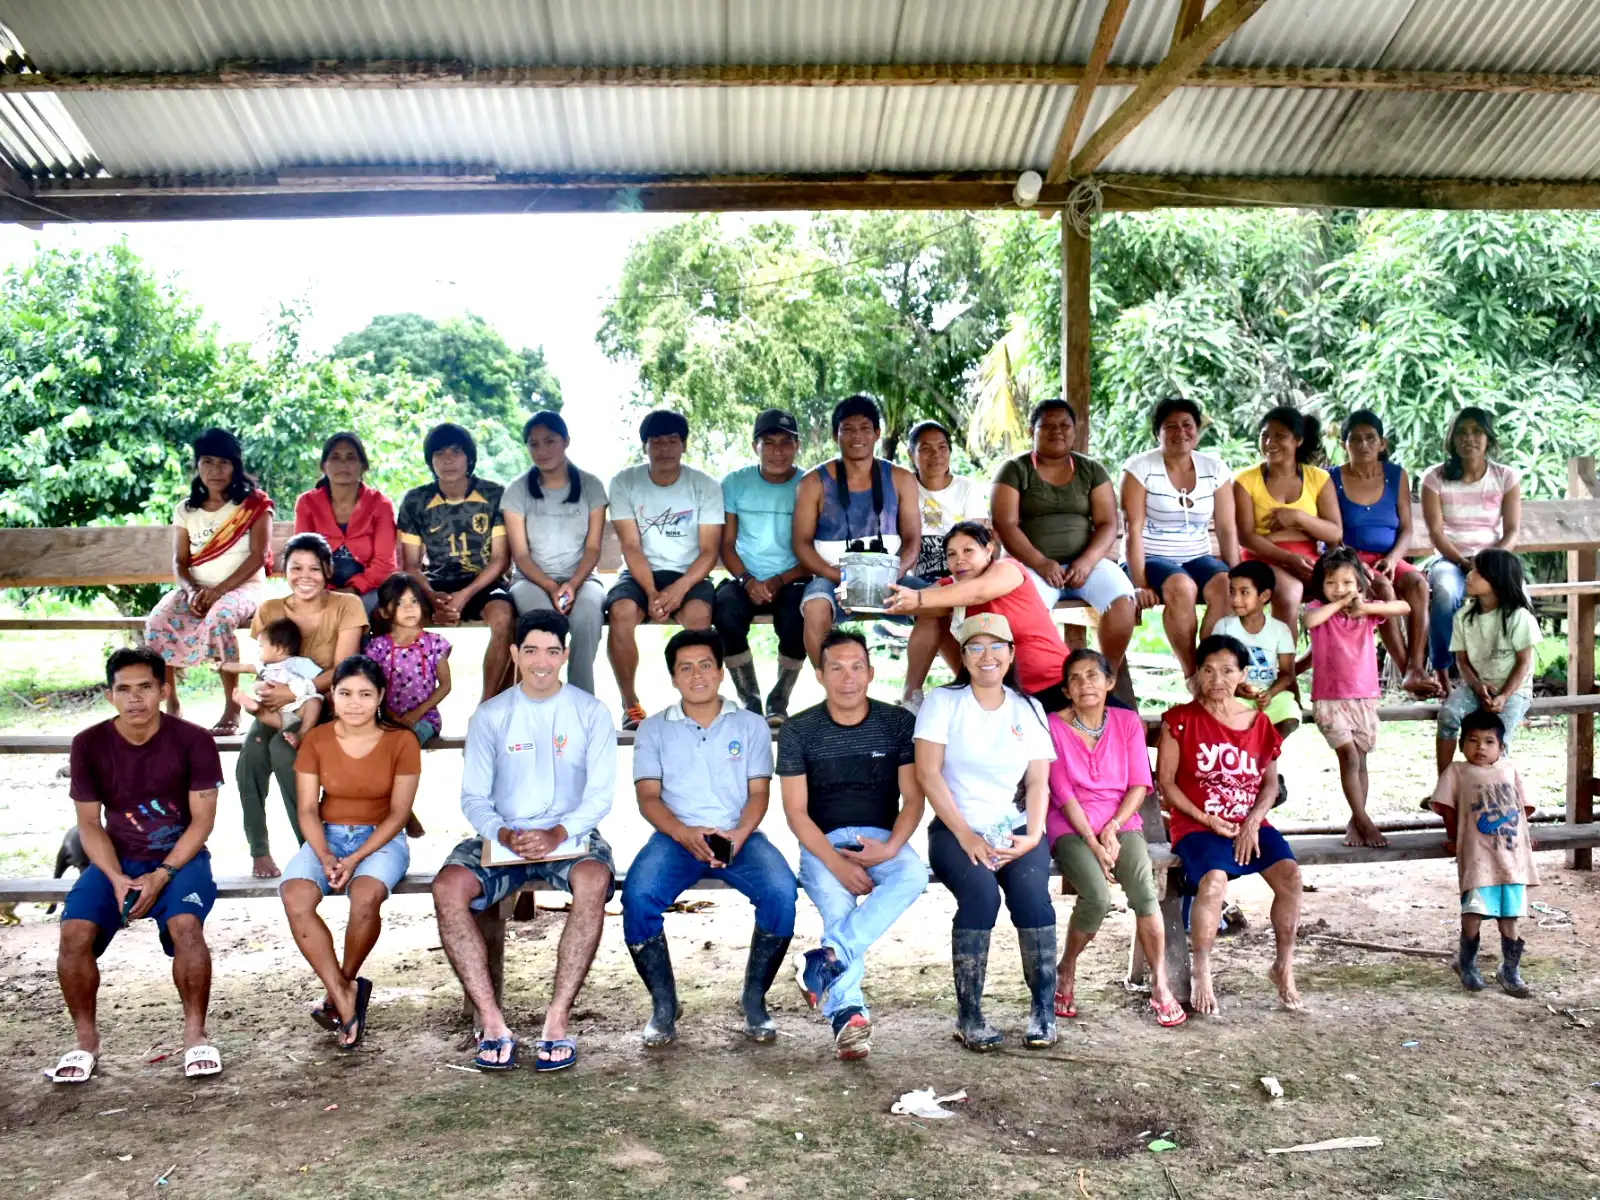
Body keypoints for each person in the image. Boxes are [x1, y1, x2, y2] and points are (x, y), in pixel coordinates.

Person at [430, 610, 616, 1073]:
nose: (541, 661)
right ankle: (493, 1023)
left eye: (552, 651)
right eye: (530, 650)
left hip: (570, 835)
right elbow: (473, 798)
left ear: (566, 655)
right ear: (513, 654)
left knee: (594, 880)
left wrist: (557, 832)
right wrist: (506, 833)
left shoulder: (590, 712)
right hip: (503, 837)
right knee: (447, 888)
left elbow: (600, 797)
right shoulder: (492, 715)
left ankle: (556, 1020)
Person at [51, 647, 225, 1084]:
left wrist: (162, 873)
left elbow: (203, 820)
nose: (135, 699)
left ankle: (195, 1036)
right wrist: (113, 876)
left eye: (145, 687)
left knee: (186, 925)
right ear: (110, 695)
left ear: (163, 690)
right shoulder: (88, 744)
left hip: (179, 857)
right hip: (116, 856)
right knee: (73, 935)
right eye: (123, 689)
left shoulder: (193, 739)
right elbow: (89, 825)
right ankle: (85, 1042)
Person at [624, 630, 796, 1046]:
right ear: (672, 677)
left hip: (739, 836)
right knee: (638, 897)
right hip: (675, 836)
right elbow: (648, 798)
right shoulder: (653, 729)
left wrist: (737, 835)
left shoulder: (751, 725)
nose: (696, 675)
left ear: (721, 672)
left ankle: (754, 998)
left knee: (781, 892)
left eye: (705, 665)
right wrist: (683, 833)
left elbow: (759, 793)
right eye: (685, 667)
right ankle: (664, 1005)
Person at [780, 629, 925, 1062]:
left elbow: (914, 799)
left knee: (913, 874)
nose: (848, 677)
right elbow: (795, 814)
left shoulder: (897, 723)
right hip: (821, 841)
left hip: (881, 836)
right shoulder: (799, 729)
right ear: (820, 675)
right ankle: (849, 1015)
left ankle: (829, 958)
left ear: (871, 672)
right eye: (837, 668)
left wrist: (892, 846)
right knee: (839, 909)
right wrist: (837, 866)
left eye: (857, 667)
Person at [915, 614, 1058, 1052]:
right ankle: (970, 1014)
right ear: (962, 656)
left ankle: (1042, 1010)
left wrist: (1033, 835)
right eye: (975, 647)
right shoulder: (944, 702)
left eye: (996, 646)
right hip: (956, 831)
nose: (987, 656)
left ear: (1011, 653)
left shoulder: (1027, 708)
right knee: (981, 896)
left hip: (1014, 829)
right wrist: (966, 835)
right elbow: (928, 774)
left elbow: (1038, 781)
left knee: (1033, 897)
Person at [280, 656, 420, 1050]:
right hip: (327, 835)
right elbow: (306, 808)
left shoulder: (401, 741)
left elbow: (399, 814)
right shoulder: (317, 739)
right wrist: (325, 855)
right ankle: (344, 994)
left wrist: (356, 859)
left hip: (381, 838)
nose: (354, 703)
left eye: (364, 694)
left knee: (365, 895)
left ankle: (344, 982)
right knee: (295, 894)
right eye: (344, 694)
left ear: (380, 697)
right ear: (332, 695)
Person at [1156, 635, 1301, 1015]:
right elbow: (1166, 784)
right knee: (1214, 881)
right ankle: (1202, 971)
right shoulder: (1180, 721)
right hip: (1197, 825)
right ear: (1197, 674)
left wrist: (1253, 821)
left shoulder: (1259, 722)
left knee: (1290, 878)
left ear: (1242, 674)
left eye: (1227, 670)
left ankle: (1283, 965)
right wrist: (1205, 818)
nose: (1217, 679)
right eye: (1207, 670)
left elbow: (1270, 785)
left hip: (1248, 822)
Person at [1047, 650, 1185, 1028]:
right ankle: (1066, 969)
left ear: (1110, 683)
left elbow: (1140, 783)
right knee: (1097, 896)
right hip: (1070, 825)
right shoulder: (1053, 727)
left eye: (1093, 675)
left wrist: (1113, 827)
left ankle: (1159, 981)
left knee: (1143, 891)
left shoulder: (1126, 722)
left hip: (1121, 822)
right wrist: (1094, 842)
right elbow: (1062, 793)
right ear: (1066, 690)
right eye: (1075, 678)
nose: (1084, 684)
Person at [236, 533, 368, 879]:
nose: (304, 576)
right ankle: (259, 850)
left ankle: (309, 848)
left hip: (320, 704)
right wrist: (268, 695)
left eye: (314, 568)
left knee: (284, 751)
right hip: (276, 707)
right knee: (250, 754)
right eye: (296, 568)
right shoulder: (270, 610)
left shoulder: (346, 605)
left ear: (327, 570)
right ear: (284, 571)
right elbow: (261, 663)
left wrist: (296, 690)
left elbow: (344, 668)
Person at [992, 399, 1138, 673]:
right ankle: (1043, 683)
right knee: (1025, 616)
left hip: (1086, 566)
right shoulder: (1015, 469)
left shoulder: (1091, 470)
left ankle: (1106, 676)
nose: (1056, 431)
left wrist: (1086, 562)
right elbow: (1006, 524)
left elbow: (1108, 523)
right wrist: (1040, 563)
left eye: (1064, 425)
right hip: (1031, 568)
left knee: (1123, 602)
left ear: (1075, 430)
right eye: (1046, 425)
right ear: (1030, 431)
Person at [144, 427, 272, 733]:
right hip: (196, 589)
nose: (216, 470)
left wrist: (217, 593)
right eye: (208, 461)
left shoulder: (253, 505)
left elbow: (257, 557)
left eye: (224, 462)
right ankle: (172, 703)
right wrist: (189, 591)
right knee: (157, 621)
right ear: (197, 465)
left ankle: (232, 708)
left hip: (244, 588)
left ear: (235, 466)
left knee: (220, 618)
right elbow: (180, 561)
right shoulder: (186, 510)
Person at [606, 409, 724, 730]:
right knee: (621, 612)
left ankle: (697, 702)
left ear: (683, 445)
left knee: (699, 619)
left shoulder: (705, 485)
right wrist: (651, 593)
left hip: (690, 572)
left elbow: (710, 551)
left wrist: (680, 588)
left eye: (673, 441)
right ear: (645, 447)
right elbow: (631, 546)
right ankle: (630, 705)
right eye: (656, 441)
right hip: (640, 572)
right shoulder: (624, 482)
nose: (665, 448)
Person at [792, 395, 924, 668]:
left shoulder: (901, 478)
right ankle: (828, 684)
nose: (857, 436)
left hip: (890, 578)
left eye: (865, 428)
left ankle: (913, 692)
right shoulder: (813, 482)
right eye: (847, 429)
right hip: (833, 579)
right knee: (815, 606)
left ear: (877, 433)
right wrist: (841, 577)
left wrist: (889, 575)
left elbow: (913, 540)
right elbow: (801, 544)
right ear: (834, 435)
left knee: (937, 605)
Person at [888, 521, 1069, 713]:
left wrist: (917, 597)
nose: (960, 560)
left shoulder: (1008, 568)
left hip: (1054, 685)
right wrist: (866, 600)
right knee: (930, 613)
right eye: (951, 554)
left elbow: (979, 592)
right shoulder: (951, 586)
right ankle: (910, 699)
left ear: (988, 550)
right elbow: (912, 604)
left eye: (968, 550)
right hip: (999, 694)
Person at [1120, 397, 1239, 682]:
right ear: (1157, 433)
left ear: (1197, 430)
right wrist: (1139, 584)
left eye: (1187, 425)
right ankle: (1192, 677)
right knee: (1182, 586)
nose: (1180, 432)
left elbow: (1226, 527)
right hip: (1149, 558)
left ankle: (1212, 671)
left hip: (1197, 556)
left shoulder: (1215, 468)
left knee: (1226, 587)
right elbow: (1132, 529)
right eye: (1170, 426)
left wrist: (1238, 574)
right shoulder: (1140, 468)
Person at [396, 422, 514, 703]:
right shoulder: (416, 500)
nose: (448, 459)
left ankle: (488, 705)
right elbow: (411, 564)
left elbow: (500, 560)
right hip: (435, 583)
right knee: (392, 616)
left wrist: (463, 597)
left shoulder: (495, 494)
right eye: (439, 453)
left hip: (483, 581)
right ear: (430, 460)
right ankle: (407, 706)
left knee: (505, 618)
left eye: (456, 451)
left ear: (469, 457)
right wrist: (432, 597)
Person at [1303, 548, 1411, 849]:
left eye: (1348, 583)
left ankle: (1356, 820)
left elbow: (1403, 607)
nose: (1340, 589)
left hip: (1363, 697)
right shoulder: (1317, 609)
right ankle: (1365, 821)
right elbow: (1310, 620)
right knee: (1349, 758)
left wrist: (1365, 608)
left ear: (1360, 584)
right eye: (1332, 583)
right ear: (1320, 586)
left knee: (1361, 762)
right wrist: (1339, 602)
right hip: (1330, 698)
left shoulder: (1366, 612)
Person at [501, 411, 609, 696]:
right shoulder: (516, 491)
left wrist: (572, 585)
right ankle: (542, 698)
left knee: (587, 616)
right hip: (531, 580)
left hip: (582, 579)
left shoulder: (591, 486)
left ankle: (581, 699)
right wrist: (551, 586)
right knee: (543, 622)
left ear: (566, 442)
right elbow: (521, 556)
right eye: (534, 444)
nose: (542, 450)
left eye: (550, 441)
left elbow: (593, 547)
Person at [1430, 710, 1535, 998]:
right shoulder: (1457, 772)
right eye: (1473, 740)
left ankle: (1509, 970)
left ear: (1502, 747)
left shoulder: (1509, 769)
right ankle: (1466, 963)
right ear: (1462, 743)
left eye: (1489, 742)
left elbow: (1522, 808)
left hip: (1511, 859)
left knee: (1510, 917)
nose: (1481, 748)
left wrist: (1525, 837)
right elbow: (1446, 807)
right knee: (1473, 913)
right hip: (1477, 858)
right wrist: (1453, 838)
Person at [714, 408, 809, 724]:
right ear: (755, 446)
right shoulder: (735, 483)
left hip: (794, 577)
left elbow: (815, 550)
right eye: (768, 442)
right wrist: (746, 579)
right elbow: (726, 545)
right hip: (747, 578)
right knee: (724, 608)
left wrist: (781, 579)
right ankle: (750, 699)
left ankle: (779, 699)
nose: (777, 451)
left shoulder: (810, 484)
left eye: (786, 442)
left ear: (797, 445)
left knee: (799, 615)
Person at [1332, 410, 1436, 697]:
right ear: (1344, 445)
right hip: (1349, 561)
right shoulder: (1332, 478)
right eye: (1355, 440)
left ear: (1382, 443)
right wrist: (1352, 563)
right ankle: (1408, 673)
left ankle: (1416, 665)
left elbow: (1406, 529)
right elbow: (1332, 534)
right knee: (1381, 587)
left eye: (1370, 439)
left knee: (1418, 584)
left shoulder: (1395, 476)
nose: (1363, 445)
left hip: (1388, 558)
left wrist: (1392, 558)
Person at [1421, 407, 1523, 694]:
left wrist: (1491, 562)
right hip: (1450, 559)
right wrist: (1465, 563)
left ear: (1488, 438)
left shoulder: (1506, 477)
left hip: (1494, 561)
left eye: (1477, 431)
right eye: (1462, 433)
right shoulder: (1435, 477)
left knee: (1520, 598)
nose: (1470, 438)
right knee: (1445, 594)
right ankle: (1441, 672)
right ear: (1452, 440)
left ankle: (1512, 679)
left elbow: (1512, 530)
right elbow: (1437, 534)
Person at [1232, 406, 1342, 639]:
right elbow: (1246, 537)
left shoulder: (1318, 478)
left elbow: (1334, 532)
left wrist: (1297, 517)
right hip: (1262, 556)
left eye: (1280, 436)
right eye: (1265, 435)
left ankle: (1324, 666)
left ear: (1298, 440)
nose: (1270, 442)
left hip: (1307, 558)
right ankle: (1286, 671)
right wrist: (1288, 559)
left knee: (1346, 590)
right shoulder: (1245, 480)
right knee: (1289, 591)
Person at [1436, 548, 1539, 775]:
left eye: (1478, 572)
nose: (1469, 576)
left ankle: (1495, 788)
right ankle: (1444, 782)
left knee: (1497, 735)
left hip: (1514, 689)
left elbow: (1523, 662)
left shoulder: (1519, 616)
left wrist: (1503, 696)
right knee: (1448, 714)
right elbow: (1461, 660)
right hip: (1477, 686)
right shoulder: (1463, 616)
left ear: (1497, 579)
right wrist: (1476, 685)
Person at [292, 432, 397, 617]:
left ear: (363, 466)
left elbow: (384, 564)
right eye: (335, 457)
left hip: (369, 590)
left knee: (351, 613)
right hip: (318, 588)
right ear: (324, 466)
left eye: (351, 457)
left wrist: (352, 590)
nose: (343, 464)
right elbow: (301, 557)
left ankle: (352, 647)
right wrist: (324, 590)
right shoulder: (307, 503)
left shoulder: (380, 505)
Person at [1212, 561, 1301, 737]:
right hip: (1233, 695)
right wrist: (1236, 689)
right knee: (1225, 712)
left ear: (1264, 595)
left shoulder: (1280, 630)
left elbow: (1287, 674)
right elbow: (1214, 668)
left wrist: (1269, 694)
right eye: (1232, 592)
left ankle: (1265, 753)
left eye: (1244, 592)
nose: (1235, 599)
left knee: (1289, 712)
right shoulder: (1224, 627)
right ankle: (1250, 753)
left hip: (1269, 695)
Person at [365, 574, 453, 746]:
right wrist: (391, 716)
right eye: (399, 603)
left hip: (424, 719)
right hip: (386, 718)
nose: (409, 608)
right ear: (384, 612)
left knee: (406, 743)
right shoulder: (377, 647)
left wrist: (416, 714)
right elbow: (371, 686)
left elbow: (445, 685)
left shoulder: (434, 643)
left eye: (414, 601)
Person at [220, 617, 322, 748]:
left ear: (279, 649)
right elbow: (243, 667)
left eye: (261, 646)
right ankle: (254, 707)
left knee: (314, 702)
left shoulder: (299, 663)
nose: (258, 651)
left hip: (298, 708)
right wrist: (222, 666)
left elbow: (318, 678)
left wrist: (297, 690)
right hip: (276, 712)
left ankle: (301, 734)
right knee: (262, 708)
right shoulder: (263, 667)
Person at [907, 419, 990, 580]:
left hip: (963, 574)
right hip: (917, 578)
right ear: (911, 455)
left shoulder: (967, 488)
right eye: (926, 449)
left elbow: (977, 539)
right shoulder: (903, 488)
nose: (936, 454)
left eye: (942, 447)